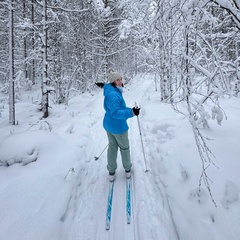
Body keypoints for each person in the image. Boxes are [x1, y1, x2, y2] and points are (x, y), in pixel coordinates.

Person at [96, 69, 140, 182]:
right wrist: (131, 112)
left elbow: (108, 88)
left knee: (112, 147)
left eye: (121, 79)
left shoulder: (110, 89)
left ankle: (111, 172)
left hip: (109, 125)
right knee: (124, 148)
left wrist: (103, 85)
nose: (120, 81)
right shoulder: (114, 95)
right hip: (118, 127)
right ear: (113, 82)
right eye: (118, 80)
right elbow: (116, 112)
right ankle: (127, 170)